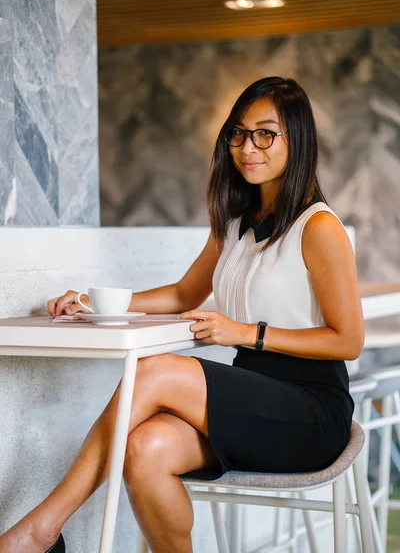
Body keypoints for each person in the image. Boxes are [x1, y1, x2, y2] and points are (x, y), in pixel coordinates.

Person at [0, 76, 364, 553]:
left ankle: (40, 530)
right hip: (253, 398)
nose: (247, 147)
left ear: (298, 140)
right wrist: (97, 303)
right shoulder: (236, 224)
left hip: (311, 411)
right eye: (238, 133)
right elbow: (181, 293)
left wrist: (245, 333)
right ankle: (43, 533)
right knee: (143, 450)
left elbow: (348, 340)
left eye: (265, 133)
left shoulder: (318, 227)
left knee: (155, 372)